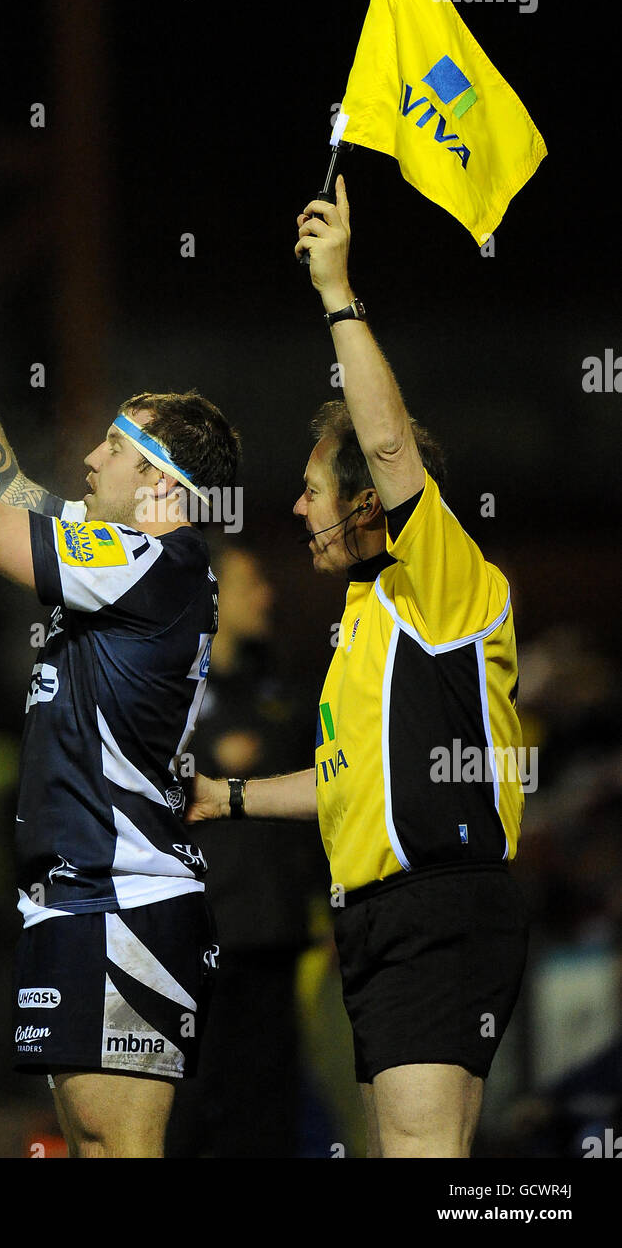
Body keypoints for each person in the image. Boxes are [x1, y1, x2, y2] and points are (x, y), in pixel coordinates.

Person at [0, 268, 240, 1158]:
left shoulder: (147, 562)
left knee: (117, 1154)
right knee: (89, 1152)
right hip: (80, 898)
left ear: (160, 485)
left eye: (114, 446)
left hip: (125, 901)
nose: (92, 458)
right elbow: (0, 476)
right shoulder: (128, 557)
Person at [189, 176, 529, 1158]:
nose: (296, 510)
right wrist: (229, 797)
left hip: (438, 904)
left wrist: (334, 288)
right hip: (381, 918)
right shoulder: (361, 618)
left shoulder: (440, 577)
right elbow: (346, 781)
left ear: (366, 503)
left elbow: (381, 441)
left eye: (307, 492)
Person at [165, 542, 326, 1158]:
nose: (267, 596)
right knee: (190, 1096)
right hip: (195, 930)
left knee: (268, 1102)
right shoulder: (166, 683)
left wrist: (324, 905)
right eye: (249, 584)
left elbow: (323, 800)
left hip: (275, 929)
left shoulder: (287, 685)